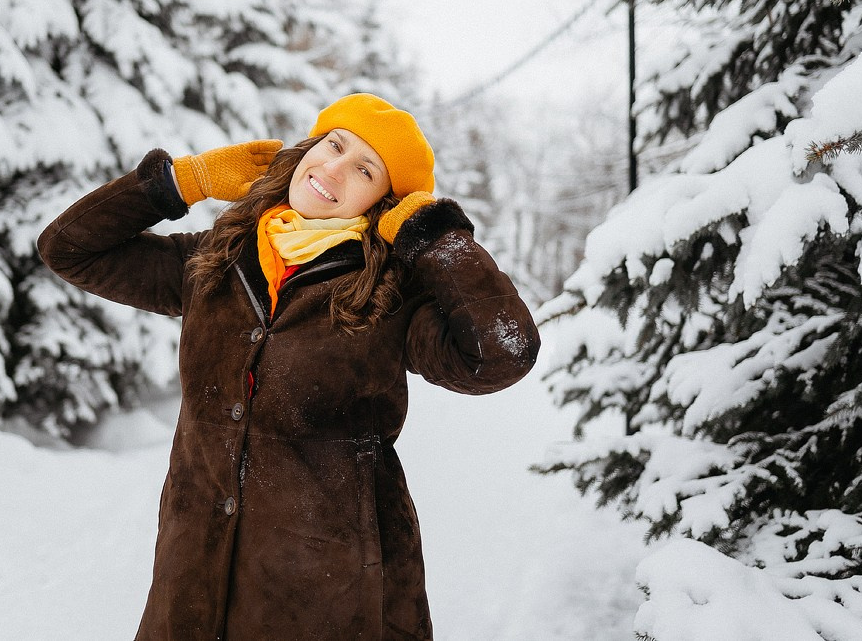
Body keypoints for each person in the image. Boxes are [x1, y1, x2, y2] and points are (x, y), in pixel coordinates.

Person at [37, 93, 540, 640]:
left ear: (383, 205)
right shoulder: (217, 259)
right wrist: (184, 181)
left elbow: (502, 352)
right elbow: (68, 249)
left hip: (327, 597)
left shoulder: (388, 295)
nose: (333, 168)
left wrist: (436, 240)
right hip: (193, 581)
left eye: (364, 170)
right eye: (334, 144)